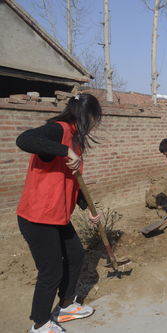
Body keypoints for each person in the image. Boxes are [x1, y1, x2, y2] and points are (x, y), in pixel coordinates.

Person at [16, 94, 102, 333]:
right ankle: (40, 323)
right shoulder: (59, 130)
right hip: (37, 217)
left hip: (57, 215)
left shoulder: (75, 139)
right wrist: (65, 150)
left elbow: (74, 181)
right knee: (51, 270)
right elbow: (24, 139)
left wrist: (89, 210)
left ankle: (65, 306)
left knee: (75, 255)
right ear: (88, 115)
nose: (96, 123)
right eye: (96, 118)